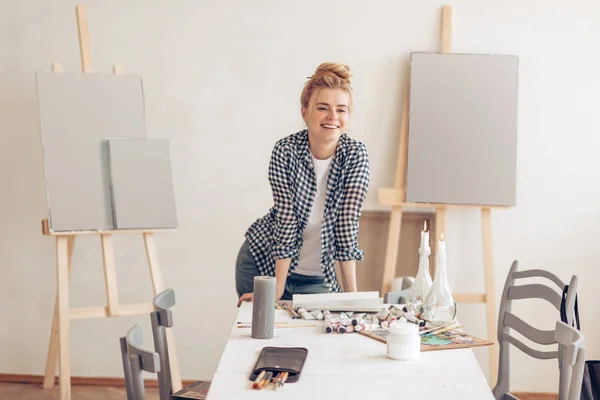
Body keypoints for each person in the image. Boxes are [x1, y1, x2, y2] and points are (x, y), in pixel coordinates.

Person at [236, 62, 370, 306]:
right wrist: (275, 290)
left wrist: (353, 299)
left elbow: (346, 225)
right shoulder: (285, 151)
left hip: (318, 277)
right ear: (305, 112)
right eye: (323, 108)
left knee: (318, 341)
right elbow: (286, 221)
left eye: (341, 110)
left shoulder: (356, 155)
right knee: (261, 338)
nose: (333, 117)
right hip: (263, 264)